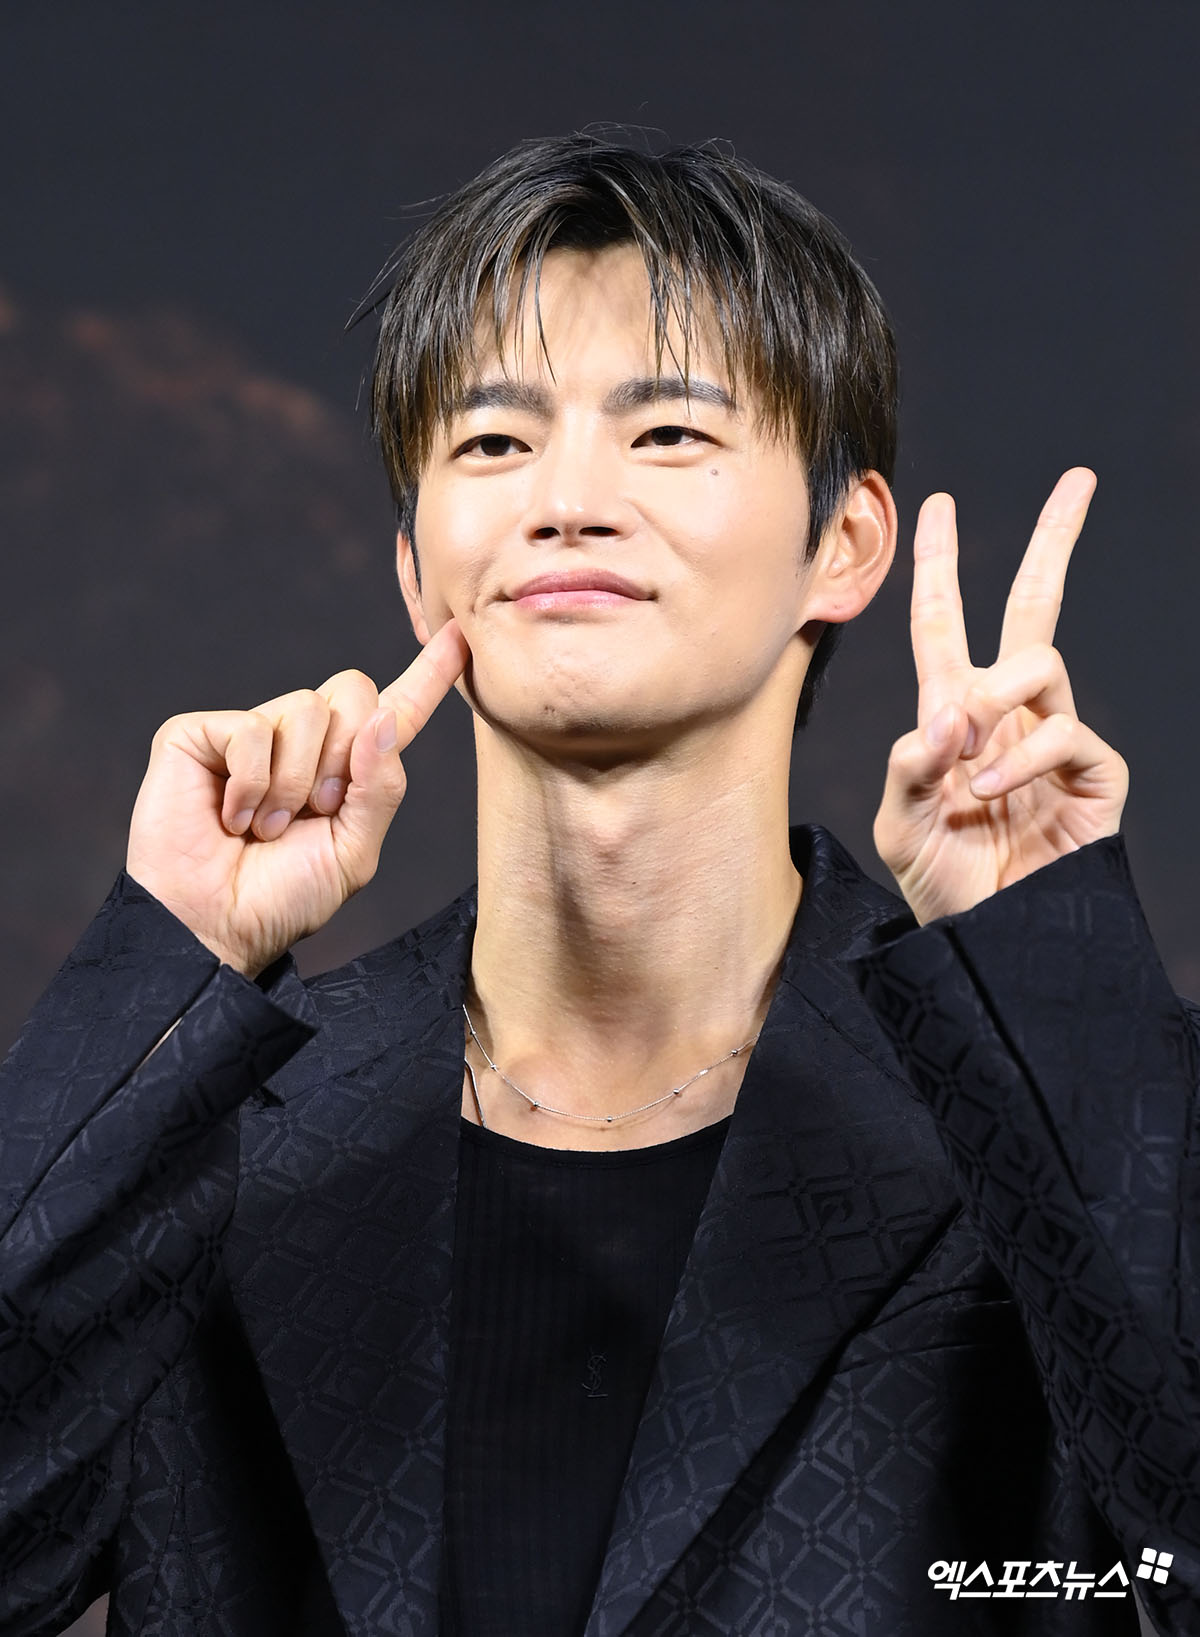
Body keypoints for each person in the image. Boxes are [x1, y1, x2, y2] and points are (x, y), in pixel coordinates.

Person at [1, 135, 1196, 1637]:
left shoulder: (1034, 1089)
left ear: (843, 543)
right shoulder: (215, 1122)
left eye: (669, 431)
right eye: (495, 443)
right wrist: (169, 967)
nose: (566, 499)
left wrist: (1048, 987)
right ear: (418, 570)